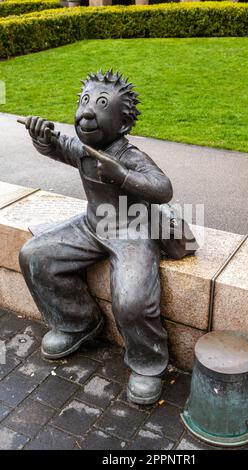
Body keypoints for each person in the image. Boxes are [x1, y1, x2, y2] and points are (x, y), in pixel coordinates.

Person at [19, 69, 195, 405]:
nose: (87, 112)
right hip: (92, 225)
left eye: (100, 105)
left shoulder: (131, 156)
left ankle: (147, 362)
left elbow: (163, 188)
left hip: (133, 231)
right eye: (85, 102)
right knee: (35, 255)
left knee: (132, 301)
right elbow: (59, 148)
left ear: (124, 125)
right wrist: (42, 139)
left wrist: (123, 174)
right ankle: (77, 322)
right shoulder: (85, 148)